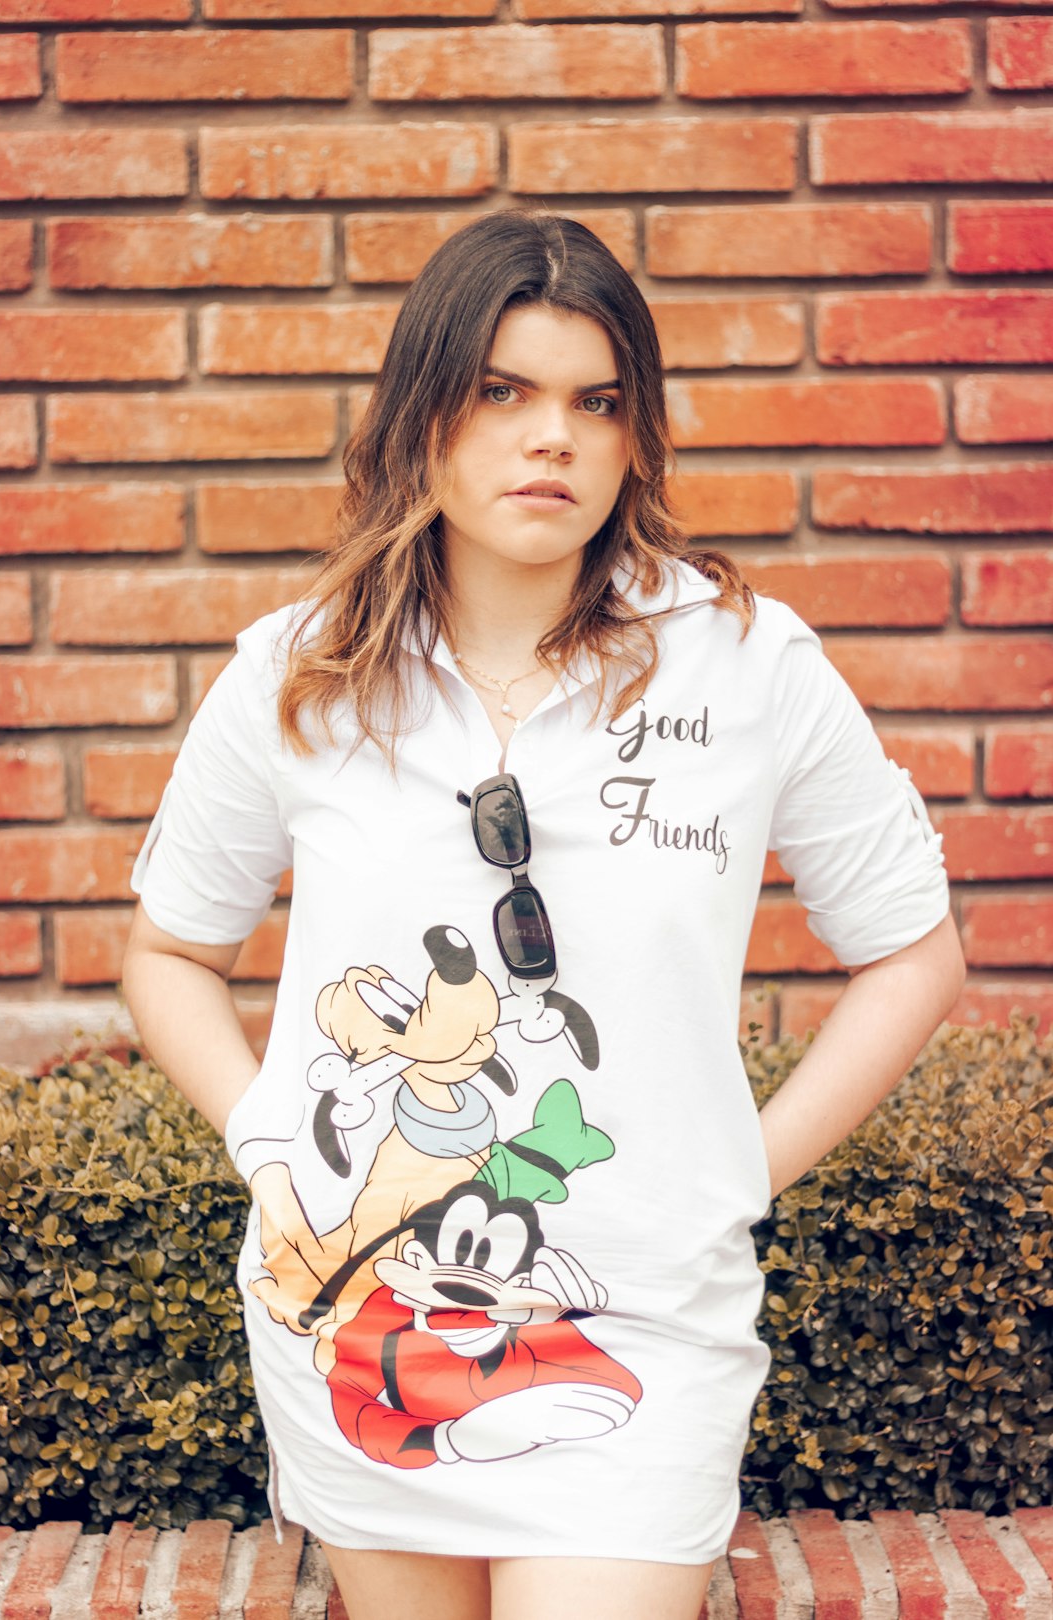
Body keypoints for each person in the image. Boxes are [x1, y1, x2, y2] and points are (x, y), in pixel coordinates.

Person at [121, 210, 967, 1620]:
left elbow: (914, 952)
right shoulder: (299, 674)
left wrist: (738, 1174)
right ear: (423, 416)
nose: (552, 437)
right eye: (503, 391)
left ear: (636, 438)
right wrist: (271, 1148)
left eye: (597, 402)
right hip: (362, 1321)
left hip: (638, 1318)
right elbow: (168, 954)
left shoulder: (746, 664)